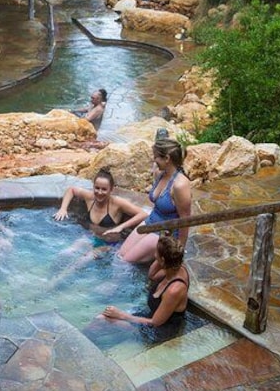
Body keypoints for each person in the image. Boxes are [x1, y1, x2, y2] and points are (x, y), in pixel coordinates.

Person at [117, 138, 192, 267]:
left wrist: (180, 249)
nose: (154, 160)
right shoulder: (159, 173)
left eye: (156, 157)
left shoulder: (180, 185)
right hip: (151, 222)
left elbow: (185, 219)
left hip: (166, 232)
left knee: (125, 262)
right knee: (120, 255)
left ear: (167, 158)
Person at [102, 235, 189, 328]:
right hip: (150, 316)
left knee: (102, 320)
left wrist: (121, 315)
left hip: (160, 329)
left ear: (163, 260)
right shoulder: (174, 267)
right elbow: (152, 276)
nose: (154, 255)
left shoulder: (174, 290)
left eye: (156, 253)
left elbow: (155, 323)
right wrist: (160, 259)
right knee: (102, 318)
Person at [53, 168, 147, 244]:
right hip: (90, 235)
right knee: (67, 253)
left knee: (83, 261)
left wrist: (121, 227)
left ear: (111, 189)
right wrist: (63, 209)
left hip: (108, 242)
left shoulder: (117, 203)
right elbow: (71, 190)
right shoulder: (90, 197)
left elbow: (143, 214)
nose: (99, 192)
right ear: (93, 186)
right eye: (97, 188)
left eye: (104, 189)